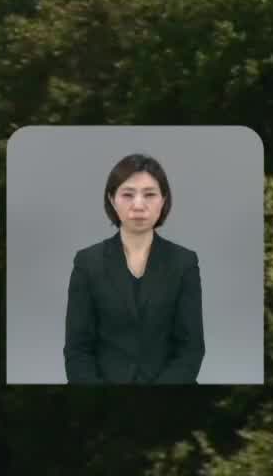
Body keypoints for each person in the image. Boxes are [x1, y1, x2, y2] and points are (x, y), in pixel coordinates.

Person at [63, 153, 206, 383]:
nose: (138, 205)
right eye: (128, 194)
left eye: (150, 195)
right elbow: (77, 351)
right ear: (112, 199)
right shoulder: (87, 262)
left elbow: (191, 350)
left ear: (163, 200)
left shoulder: (184, 262)